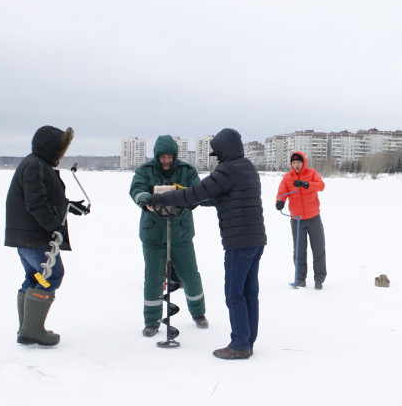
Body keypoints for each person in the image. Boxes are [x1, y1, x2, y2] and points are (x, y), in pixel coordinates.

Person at [143, 128, 267, 360]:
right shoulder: (247, 167)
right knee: (250, 292)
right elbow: (224, 196)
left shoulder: (227, 169)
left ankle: (240, 344)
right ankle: (247, 340)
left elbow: (198, 192)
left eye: (218, 152)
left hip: (238, 242)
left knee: (235, 294)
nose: (217, 157)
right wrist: (198, 202)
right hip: (256, 239)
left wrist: (163, 198)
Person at [4, 125, 89, 346]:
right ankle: (32, 330)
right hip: (34, 237)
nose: (62, 153)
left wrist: (69, 206)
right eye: (60, 148)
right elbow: (35, 203)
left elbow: (44, 198)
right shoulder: (35, 166)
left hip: (27, 236)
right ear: (51, 147)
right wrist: (55, 226)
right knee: (51, 276)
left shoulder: (37, 164)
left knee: (34, 278)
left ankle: (27, 329)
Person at [130, 135, 208, 338]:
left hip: (180, 232)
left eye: (169, 157)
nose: (166, 161)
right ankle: (152, 321)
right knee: (153, 278)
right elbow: (136, 190)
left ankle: (199, 313)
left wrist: (192, 200)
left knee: (190, 276)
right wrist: (146, 199)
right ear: (156, 156)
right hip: (153, 235)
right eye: (162, 157)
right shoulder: (145, 171)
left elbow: (197, 190)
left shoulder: (186, 171)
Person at [275, 151, 327, 289]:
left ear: (303, 162)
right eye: (294, 163)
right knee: (299, 250)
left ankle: (319, 279)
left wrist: (305, 184)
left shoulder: (311, 173)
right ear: (291, 164)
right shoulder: (287, 178)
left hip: (314, 217)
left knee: (318, 248)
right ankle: (300, 278)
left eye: (298, 162)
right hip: (296, 219)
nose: (296, 165)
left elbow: (321, 186)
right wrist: (280, 202)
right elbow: (281, 193)